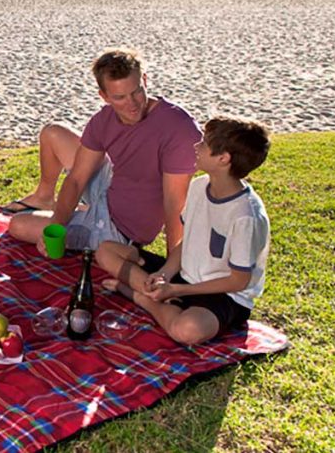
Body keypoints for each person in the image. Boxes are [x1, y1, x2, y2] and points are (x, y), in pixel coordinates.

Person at [6, 48, 201, 253]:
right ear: (104, 96)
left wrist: (171, 267)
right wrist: (58, 225)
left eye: (136, 92)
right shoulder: (104, 119)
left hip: (120, 227)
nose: (132, 104)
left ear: (144, 80)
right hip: (111, 185)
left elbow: (175, 205)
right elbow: (76, 179)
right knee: (53, 133)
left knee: (18, 225)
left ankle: (81, 214)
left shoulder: (179, 129)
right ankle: (44, 198)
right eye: (120, 97)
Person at [98, 117, 271, 345]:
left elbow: (238, 281)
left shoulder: (245, 215)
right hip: (183, 276)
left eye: (204, 144)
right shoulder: (199, 186)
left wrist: (176, 290)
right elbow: (187, 242)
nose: (196, 147)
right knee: (105, 251)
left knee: (187, 330)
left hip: (223, 295)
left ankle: (141, 297)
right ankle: (159, 295)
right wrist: (164, 275)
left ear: (223, 158)